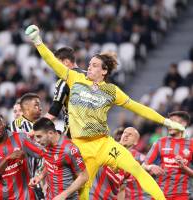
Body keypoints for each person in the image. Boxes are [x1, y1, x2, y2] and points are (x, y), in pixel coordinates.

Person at [25, 24, 185, 199]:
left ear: (104, 71)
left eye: (94, 65)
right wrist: (37, 41)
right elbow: (52, 62)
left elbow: (139, 108)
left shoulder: (111, 91)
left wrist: (167, 122)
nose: (89, 67)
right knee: (83, 192)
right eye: (89, 64)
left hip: (104, 144)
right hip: (81, 148)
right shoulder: (74, 78)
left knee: (136, 169)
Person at [0, 107, 39, 199]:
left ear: (5, 123)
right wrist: (7, 159)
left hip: (26, 197)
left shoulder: (21, 138)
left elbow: (42, 153)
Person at [29, 117, 88, 200]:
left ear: (50, 133)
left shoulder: (69, 149)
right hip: (50, 196)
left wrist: (63, 195)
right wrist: (40, 177)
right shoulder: (45, 144)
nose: (37, 140)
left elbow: (84, 177)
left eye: (39, 136)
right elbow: (50, 162)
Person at [89, 127, 150, 200]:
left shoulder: (131, 162)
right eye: (125, 133)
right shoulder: (109, 146)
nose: (126, 135)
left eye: (130, 134)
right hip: (93, 195)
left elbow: (122, 188)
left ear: (136, 142)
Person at [144, 111, 193, 200]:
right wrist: (150, 167)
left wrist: (184, 168)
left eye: (173, 121)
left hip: (182, 195)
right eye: (168, 122)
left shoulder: (191, 144)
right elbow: (143, 165)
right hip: (160, 194)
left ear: (184, 124)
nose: (169, 124)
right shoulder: (160, 142)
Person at [44, 47, 86, 137]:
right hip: (96, 135)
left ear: (66, 62)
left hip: (74, 136)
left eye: (57, 64)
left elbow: (53, 112)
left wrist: (35, 129)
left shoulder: (64, 81)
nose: (55, 68)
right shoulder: (91, 78)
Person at [9, 93, 44, 199]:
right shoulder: (13, 126)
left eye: (19, 111)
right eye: (15, 111)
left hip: (37, 172)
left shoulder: (38, 126)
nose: (17, 114)